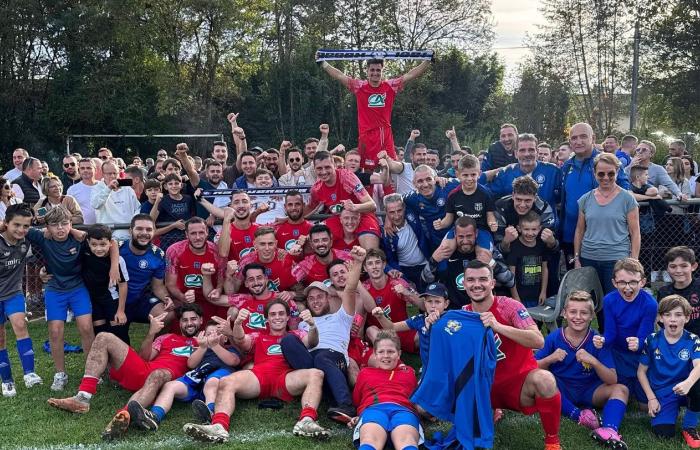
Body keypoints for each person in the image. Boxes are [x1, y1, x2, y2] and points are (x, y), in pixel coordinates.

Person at [47, 304, 202, 441]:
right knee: (103, 337)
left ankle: (123, 417)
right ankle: (83, 397)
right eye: (185, 320)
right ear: (180, 322)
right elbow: (144, 357)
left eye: (193, 319)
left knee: (158, 374)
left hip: (167, 380)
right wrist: (152, 333)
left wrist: (205, 345)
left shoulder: (206, 343)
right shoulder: (168, 337)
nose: (189, 323)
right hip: (145, 371)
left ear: (201, 321)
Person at [182, 300, 330, 442]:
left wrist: (312, 326)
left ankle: (306, 421)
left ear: (288, 317)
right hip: (259, 377)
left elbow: (312, 342)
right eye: (273, 314)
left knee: (316, 374)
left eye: (281, 313)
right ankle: (218, 426)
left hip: (286, 377)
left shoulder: (297, 334)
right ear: (267, 319)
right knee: (227, 381)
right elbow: (241, 339)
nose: (277, 317)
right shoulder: (258, 336)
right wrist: (238, 323)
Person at [462, 259, 562, 450]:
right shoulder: (463, 314)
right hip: (484, 388)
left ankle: (552, 441)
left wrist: (498, 326)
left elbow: (538, 340)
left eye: (483, 279)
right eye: (471, 280)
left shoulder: (509, 306)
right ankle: (490, 410)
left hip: (519, 383)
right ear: (464, 284)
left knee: (545, 380)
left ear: (492, 283)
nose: (477, 285)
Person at [21, 206, 107, 390]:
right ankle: (60, 373)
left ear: (70, 223)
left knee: (86, 327)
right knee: (55, 331)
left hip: (78, 288)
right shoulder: (42, 237)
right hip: (54, 289)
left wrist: (76, 230)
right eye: (55, 225)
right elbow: (19, 227)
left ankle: (91, 371)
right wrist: (42, 229)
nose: (60, 228)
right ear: (48, 227)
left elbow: (110, 242)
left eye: (64, 223)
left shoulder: (79, 237)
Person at [281, 245, 366, 424]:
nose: (315, 301)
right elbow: (306, 344)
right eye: (311, 299)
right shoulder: (305, 322)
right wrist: (311, 326)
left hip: (335, 359)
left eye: (319, 296)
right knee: (288, 340)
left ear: (328, 298)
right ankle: (325, 389)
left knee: (322, 357)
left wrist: (357, 263)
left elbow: (349, 291)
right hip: (313, 362)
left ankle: (346, 406)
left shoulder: (341, 316)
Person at [535, 291, 629, 448]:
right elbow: (533, 367)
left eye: (584, 312)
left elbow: (612, 379)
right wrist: (550, 358)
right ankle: (580, 416)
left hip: (590, 391)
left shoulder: (598, 340)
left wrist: (593, 361)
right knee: (541, 379)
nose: (578, 317)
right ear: (564, 313)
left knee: (621, 389)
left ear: (592, 316)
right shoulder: (554, 337)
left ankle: (609, 430)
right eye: (573, 312)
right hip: (562, 389)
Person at [318, 55, 431, 170]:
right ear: (367, 71)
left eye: (378, 70)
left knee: (390, 167)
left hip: (384, 133)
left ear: (382, 71)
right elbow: (339, 76)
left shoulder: (390, 86)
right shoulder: (359, 86)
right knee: (366, 168)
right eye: (372, 70)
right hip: (366, 135)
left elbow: (410, 75)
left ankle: (389, 188)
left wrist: (427, 61)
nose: (375, 73)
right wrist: (323, 63)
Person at [127, 320, 241, 430]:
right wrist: (202, 347)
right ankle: (154, 416)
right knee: (170, 386)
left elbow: (233, 361)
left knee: (212, 383)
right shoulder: (201, 350)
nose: (212, 336)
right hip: (196, 379)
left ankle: (210, 411)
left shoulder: (230, 349)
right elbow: (191, 364)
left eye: (216, 333)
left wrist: (216, 345)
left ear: (225, 338)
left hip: (217, 376)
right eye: (208, 334)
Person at [561, 123, 630, 270]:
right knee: (579, 287)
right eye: (574, 138)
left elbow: (624, 192)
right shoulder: (566, 166)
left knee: (608, 287)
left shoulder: (606, 162)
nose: (578, 141)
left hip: (601, 240)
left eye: (583, 136)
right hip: (570, 236)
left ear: (593, 138)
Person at [573, 153, 640, 299]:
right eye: (601, 174)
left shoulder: (627, 199)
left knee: (614, 302)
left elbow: (635, 232)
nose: (606, 177)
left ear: (617, 172)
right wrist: (577, 258)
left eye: (611, 173)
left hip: (616, 260)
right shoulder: (585, 199)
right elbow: (579, 230)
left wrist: (634, 260)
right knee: (591, 302)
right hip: (588, 258)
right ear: (594, 173)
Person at [594, 258, 658, 406]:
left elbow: (645, 336)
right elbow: (610, 333)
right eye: (622, 282)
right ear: (614, 282)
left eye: (633, 282)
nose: (627, 287)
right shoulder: (609, 300)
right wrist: (603, 340)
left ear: (642, 282)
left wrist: (639, 342)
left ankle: (643, 381)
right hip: (619, 355)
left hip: (641, 357)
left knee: (643, 405)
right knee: (623, 396)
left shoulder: (650, 304)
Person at [637, 295, 700, 446]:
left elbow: (699, 365)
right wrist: (651, 398)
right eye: (667, 314)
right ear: (660, 318)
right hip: (662, 392)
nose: (672, 319)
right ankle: (670, 410)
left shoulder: (693, 339)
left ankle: (689, 426)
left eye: (678, 315)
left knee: (698, 383)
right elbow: (641, 372)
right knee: (664, 434)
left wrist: (689, 382)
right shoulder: (651, 340)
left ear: (686, 318)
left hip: (685, 388)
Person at [348, 330, 421, 450]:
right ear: (375, 355)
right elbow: (358, 401)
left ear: (399, 354)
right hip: (374, 409)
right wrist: (359, 416)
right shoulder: (365, 373)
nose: (386, 356)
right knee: (370, 439)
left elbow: (415, 399)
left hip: (403, 410)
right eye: (381, 352)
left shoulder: (409, 372)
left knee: (407, 440)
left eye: (391, 351)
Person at [0, 204, 42, 397]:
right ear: (6, 223)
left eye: (25, 226)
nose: (21, 230)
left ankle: (30, 373)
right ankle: (7, 380)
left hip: (14, 293)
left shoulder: (27, 241)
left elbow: (48, 234)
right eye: (16, 225)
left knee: (20, 325)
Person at [305, 150, 381, 249]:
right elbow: (309, 208)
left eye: (327, 167)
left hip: (362, 216)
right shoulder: (316, 188)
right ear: (314, 169)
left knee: (371, 251)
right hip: (339, 219)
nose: (323, 172)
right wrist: (287, 219)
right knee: (310, 242)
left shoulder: (346, 177)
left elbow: (372, 205)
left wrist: (355, 207)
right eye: (319, 168)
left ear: (334, 166)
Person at [118, 214, 174, 345]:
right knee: (118, 342)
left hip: (139, 300)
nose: (144, 233)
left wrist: (166, 298)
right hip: (116, 301)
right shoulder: (117, 249)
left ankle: (155, 348)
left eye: (149, 230)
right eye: (139, 229)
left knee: (167, 314)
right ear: (130, 231)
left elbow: (158, 286)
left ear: (154, 232)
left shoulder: (158, 255)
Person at [371, 282, 449, 370]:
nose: (433, 306)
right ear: (424, 302)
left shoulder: (452, 320)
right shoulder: (419, 319)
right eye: (429, 301)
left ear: (446, 304)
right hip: (428, 369)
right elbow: (392, 327)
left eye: (437, 301)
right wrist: (380, 317)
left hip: (448, 366)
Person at [434, 154, 497, 260]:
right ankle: (434, 275)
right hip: (459, 230)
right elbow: (449, 219)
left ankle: (491, 275)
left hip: (481, 229)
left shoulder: (486, 194)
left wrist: (492, 223)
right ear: (458, 175)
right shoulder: (453, 195)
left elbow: (490, 215)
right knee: (443, 251)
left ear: (479, 174)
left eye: (473, 175)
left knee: (484, 256)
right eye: (465, 175)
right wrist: (441, 224)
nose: (469, 179)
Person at [165, 217, 226, 324]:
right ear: (186, 234)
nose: (198, 237)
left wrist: (219, 290)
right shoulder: (175, 250)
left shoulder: (216, 251)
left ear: (207, 232)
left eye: (201, 232)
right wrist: (182, 297)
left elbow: (221, 278)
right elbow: (170, 284)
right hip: (184, 301)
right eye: (193, 233)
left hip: (209, 300)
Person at [363, 248, 422, 353]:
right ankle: (391, 356)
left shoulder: (397, 282)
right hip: (380, 333)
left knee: (429, 334)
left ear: (384, 265)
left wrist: (406, 292)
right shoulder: (364, 288)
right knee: (370, 330)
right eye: (370, 264)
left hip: (402, 330)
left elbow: (423, 305)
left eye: (377, 262)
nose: (374, 267)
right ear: (365, 268)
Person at [80, 224, 129, 339]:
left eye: (103, 244)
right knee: (100, 332)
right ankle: (104, 356)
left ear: (110, 243)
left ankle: (125, 355)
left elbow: (123, 285)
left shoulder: (118, 261)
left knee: (118, 331)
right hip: (93, 299)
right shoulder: (85, 251)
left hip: (110, 298)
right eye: (94, 245)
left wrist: (121, 310)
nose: (98, 248)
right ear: (88, 243)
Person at [488, 134, 562, 207]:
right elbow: (488, 197)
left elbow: (562, 199)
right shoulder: (505, 174)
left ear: (537, 152)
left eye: (531, 150)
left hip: (546, 218)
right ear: (516, 153)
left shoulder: (553, 171)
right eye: (522, 150)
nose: (527, 154)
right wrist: (484, 175)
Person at [381, 193, 430, 291]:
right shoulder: (385, 233)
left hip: (425, 264)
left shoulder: (412, 215)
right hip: (403, 269)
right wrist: (393, 271)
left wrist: (438, 180)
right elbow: (386, 258)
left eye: (399, 210)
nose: (396, 216)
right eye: (391, 212)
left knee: (427, 297)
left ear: (404, 208)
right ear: (386, 212)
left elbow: (419, 193)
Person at [506, 211, 556, 307]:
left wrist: (543, 292)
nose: (530, 233)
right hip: (520, 296)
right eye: (526, 229)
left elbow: (544, 269)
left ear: (539, 229)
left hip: (537, 295)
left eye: (534, 229)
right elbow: (511, 275)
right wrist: (515, 297)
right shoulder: (515, 247)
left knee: (537, 321)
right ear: (519, 229)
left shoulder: (541, 245)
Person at [91, 160, 140, 241]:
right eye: (109, 173)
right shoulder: (97, 188)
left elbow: (137, 208)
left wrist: (134, 224)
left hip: (128, 233)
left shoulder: (127, 189)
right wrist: (109, 188)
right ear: (103, 174)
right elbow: (96, 204)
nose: (113, 176)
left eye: (115, 173)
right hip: (107, 234)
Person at [659, 247, 700, 336]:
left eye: (684, 266)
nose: (678, 271)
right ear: (667, 269)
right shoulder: (664, 293)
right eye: (673, 266)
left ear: (693, 266)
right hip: (676, 341)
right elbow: (662, 321)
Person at [150, 173, 195, 251]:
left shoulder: (188, 199)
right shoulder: (163, 200)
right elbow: (151, 219)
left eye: (177, 183)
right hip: (168, 240)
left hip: (186, 239)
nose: (174, 186)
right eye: (170, 184)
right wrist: (173, 225)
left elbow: (193, 216)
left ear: (181, 185)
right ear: (165, 187)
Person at [67, 158, 99, 224]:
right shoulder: (72, 190)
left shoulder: (104, 186)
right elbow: (68, 212)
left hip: (104, 228)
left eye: (88, 168)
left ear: (95, 170)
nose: (85, 170)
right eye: (82, 168)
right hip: (83, 229)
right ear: (79, 171)